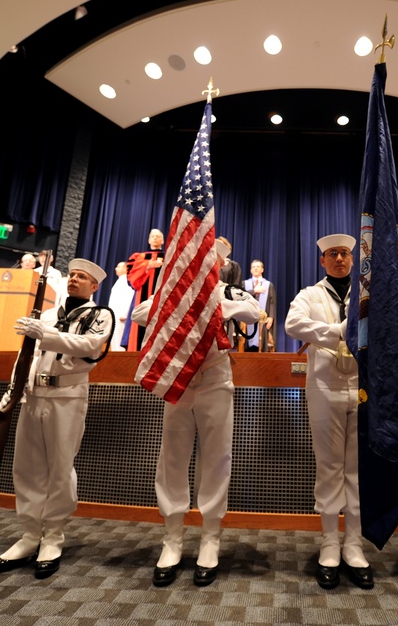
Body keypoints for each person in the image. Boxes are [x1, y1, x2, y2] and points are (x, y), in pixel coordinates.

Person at [134, 239, 260, 588]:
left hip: (216, 378)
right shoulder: (177, 291)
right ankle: (172, 539)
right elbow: (140, 313)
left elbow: (253, 312)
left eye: (215, 261)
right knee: (172, 458)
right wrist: (180, 301)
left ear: (221, 265)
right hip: (180, 378)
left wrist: (213, 305)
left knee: (216, 458)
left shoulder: (228, 292)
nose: (209, 266)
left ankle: (210, 537)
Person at [0, 258, 113, 579]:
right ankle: (29, 536)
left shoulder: (100, 315)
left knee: (59, 466)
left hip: (67, 397)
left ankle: (53, 537)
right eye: (72, 275)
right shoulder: (48, 314)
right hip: (33, 395)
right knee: (26, 467)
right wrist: (13, 390)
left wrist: (45, 332)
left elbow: (90, 346)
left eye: (82, 277)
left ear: (94, 286)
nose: (74, 280)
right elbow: (25, 355)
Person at [284, 234, 373, 591]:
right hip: (324, 389)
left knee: (356, 468)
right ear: (323, 261)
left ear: (353, 258)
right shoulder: (309, 294)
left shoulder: (368, 296)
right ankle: (329, 543)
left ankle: (353, 543)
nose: (339, 259)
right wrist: (340, 331)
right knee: (329, 466)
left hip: (363, 388)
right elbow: (294, 325)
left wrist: (343, 332)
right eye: (332, 254)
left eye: (345, 253)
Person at [124, 229, 165, 350]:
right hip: (142, 297)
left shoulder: (169, 256)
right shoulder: (139, 257)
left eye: (158, 236)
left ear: (163, 240)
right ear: (148, 240)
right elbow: (132, 280)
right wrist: (148, 265)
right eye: (153, 236)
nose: (155, 238)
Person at [243, 259, 276, 351]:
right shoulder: (245, 284)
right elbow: (241, 296)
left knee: (262, 345)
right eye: (253, 267)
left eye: (258, 266)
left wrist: (271, 317)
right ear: (250, 270)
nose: (255, 268)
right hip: (247, 318)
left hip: (263, 318)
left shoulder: (268, 285)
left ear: (262, 269)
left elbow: (272, 301)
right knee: (248, 345)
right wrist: (254, 291)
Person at [108, 261, 134, 351]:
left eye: (119, 267)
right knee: (114, 339)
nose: (116, 269)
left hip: (121, 317)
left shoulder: (127, 281)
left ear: (126, 269)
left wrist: (125, 313)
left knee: (119, 339)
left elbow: (129, 297)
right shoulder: (120, 280)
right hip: (115, 315)